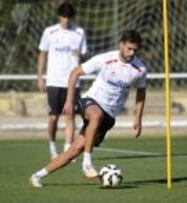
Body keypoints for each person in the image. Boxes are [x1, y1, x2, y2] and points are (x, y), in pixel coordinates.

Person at [30, 30, 147, 187]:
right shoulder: (104, 59)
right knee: (96, 115)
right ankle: (87, 163)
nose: (132, 53)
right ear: (121, 45)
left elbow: (141, 93)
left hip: (109, 116)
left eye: (135, 50)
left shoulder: (139, 69)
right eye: (129, 48)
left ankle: (37, 176)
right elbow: (75, 73)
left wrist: (138, 118)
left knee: (73, 151)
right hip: (91, 101)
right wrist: (69, 101)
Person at [37, 3, 87, 160]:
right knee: (53, 117)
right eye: (64, 16)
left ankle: (67, 151)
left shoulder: (79, 32)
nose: (66, 20)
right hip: (54, 81)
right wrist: (40, 77)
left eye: (69, 17)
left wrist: (79, 55)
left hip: (72, 82)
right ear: (59, 16)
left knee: (70, 116)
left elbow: (84, 56)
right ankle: (52, 146)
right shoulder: (49, 32)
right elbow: (43, 54)